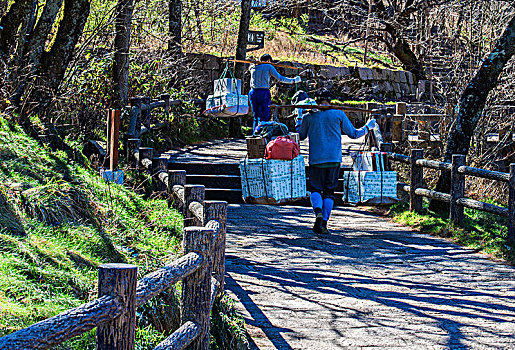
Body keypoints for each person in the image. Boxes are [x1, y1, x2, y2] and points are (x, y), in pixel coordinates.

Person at [296, 90, 376, 234]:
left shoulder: (309, 117)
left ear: (316, 101)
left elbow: (300, 136)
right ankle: (324, 222)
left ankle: (318, 212)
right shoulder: (338, 114)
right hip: (334, 160)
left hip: (316, 160)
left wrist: (299, 118)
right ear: (330, 101)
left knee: (315, 189)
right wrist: (367, 127)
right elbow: (354, 134)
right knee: (329, 192)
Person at [249, 54, 301, 133]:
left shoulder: (252, 67)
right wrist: (293, 80)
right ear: (269, 60)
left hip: (253, 92)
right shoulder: (268, 66)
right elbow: (280, 78)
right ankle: (262, 134)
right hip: (263, 92)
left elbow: (251, 66)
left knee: (256, 115)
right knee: (264, 114)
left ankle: (255, 133)